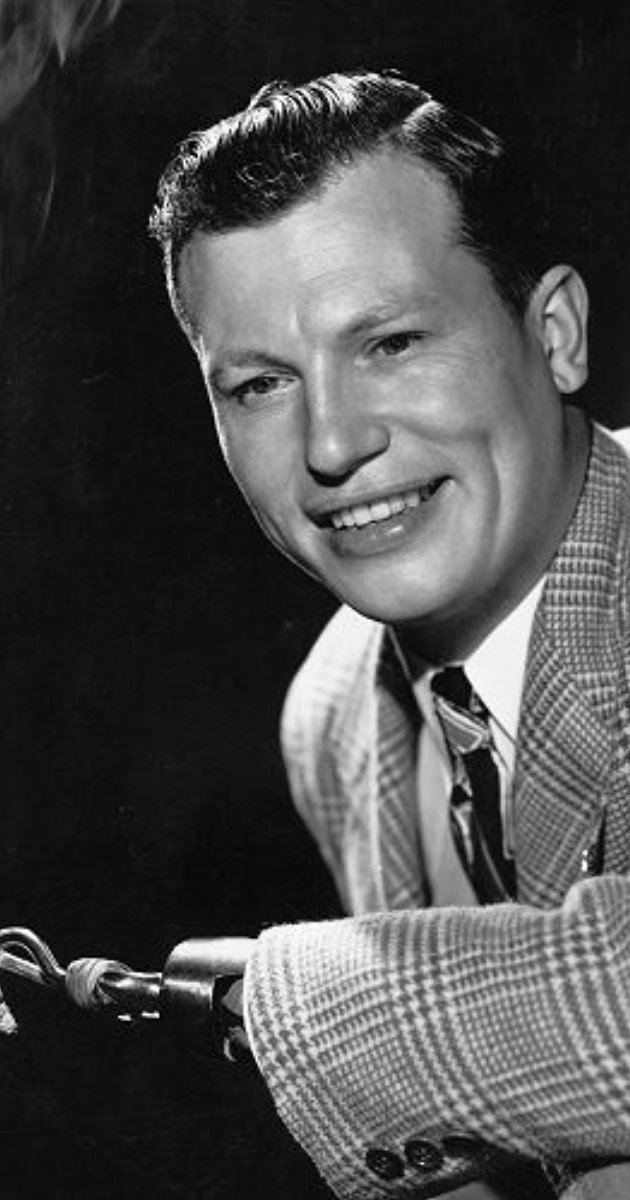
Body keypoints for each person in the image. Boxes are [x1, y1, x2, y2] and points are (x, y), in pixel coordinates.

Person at [148, 71, 630, 1200]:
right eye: (261, 383)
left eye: (393, 343)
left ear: (554, 333)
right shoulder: (327, 718)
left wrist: (279, 996)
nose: (331, 443)